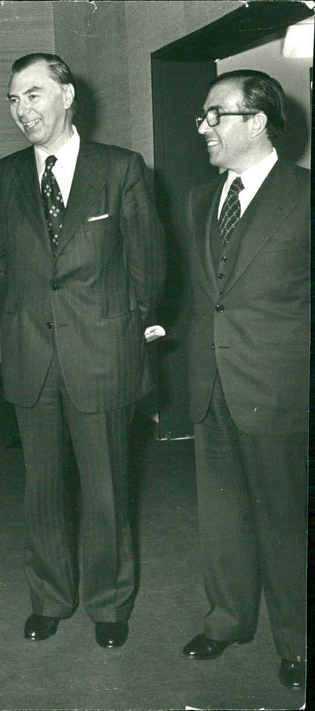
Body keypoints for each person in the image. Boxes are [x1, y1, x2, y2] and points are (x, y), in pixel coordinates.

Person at [0, 53, 165, 649]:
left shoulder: (121, 169)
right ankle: (49, 598)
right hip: (31, 357)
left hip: (104, 355)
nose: (21, 110)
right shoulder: (5, 175)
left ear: (67, 96)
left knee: (108, 488)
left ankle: (109, 604)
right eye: (13, 100)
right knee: (43, 489)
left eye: (32, 95)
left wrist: (133, 335)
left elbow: (149, 268)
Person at [181, 70, 308, 691]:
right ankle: (226, 621)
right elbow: (203, 297)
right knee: (222, 518)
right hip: (212, 386)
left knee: (285, 521)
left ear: (256, 121)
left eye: (215, 115)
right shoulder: (200, 199)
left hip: (280, 391)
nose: (203, 127)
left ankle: (298, 642)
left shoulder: (306, 195)